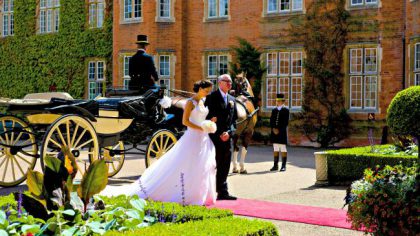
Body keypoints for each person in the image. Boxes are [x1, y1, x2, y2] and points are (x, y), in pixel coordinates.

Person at [101, 80, 217, 206]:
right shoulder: (190, 102)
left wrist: (209, 122)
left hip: (203, 137)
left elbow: (200, 118)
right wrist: (202, 127)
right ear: (200, 88)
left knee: (202, 165)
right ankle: (186, 193)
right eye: (206, 91)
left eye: (209, 91)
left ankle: (199, 193)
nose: (208, 93)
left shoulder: (202, 101)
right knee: (187, 164)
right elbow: (185, 122)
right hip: (193, 136)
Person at [205, 74, 238, 200]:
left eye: (230, 81)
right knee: (214, 164)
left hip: (227, 138)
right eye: (227, 81)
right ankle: (212, 190)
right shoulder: (211, 98)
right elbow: (207, 119)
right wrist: (219, 133)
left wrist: (229, 133)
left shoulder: (232, 99)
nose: (230, 83)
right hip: (214, 138)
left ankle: (223, 192)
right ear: (219, 83)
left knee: (225, 165)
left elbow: (234, 121)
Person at [270, 93, 289, 172]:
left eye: (280, 101)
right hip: (274, 132)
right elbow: (271, 120)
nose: (278, 102)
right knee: (276, 148)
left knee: (283, 148)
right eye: (277, 101)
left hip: (282, 132)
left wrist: (279, 130)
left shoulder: (286, 110)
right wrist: (273, 128)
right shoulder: (274, 110)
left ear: (283, 101)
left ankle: (283, 165)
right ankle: (275, 165)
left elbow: (285, 122)